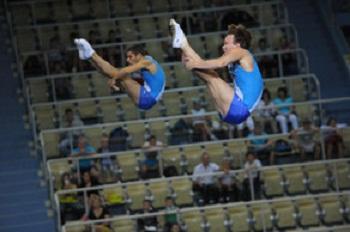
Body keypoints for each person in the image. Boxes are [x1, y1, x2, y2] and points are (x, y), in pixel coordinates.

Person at [170, 19, 264, 125]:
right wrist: (194, 64)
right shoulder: (237, 58)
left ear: (237, 45)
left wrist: (195, 64)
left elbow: (220, 63)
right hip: (233, 112)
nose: (223, 47)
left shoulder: (243, 52)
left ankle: (183, 44)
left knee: (211, 76)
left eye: (226, 43)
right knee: (209, 76)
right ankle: (183, 45)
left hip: (239, 108)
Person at [74, 39, 166, 110]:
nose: (128, 60)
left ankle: (92, 54)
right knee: (112, 74)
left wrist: (114, 79)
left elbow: (126, 71)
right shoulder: (148, 61)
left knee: (119, 74)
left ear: (139, 55)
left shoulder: (147, 61)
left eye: (130, 57)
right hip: (147, 98)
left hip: (147, 98)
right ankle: (89, 57)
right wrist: (114, 78)